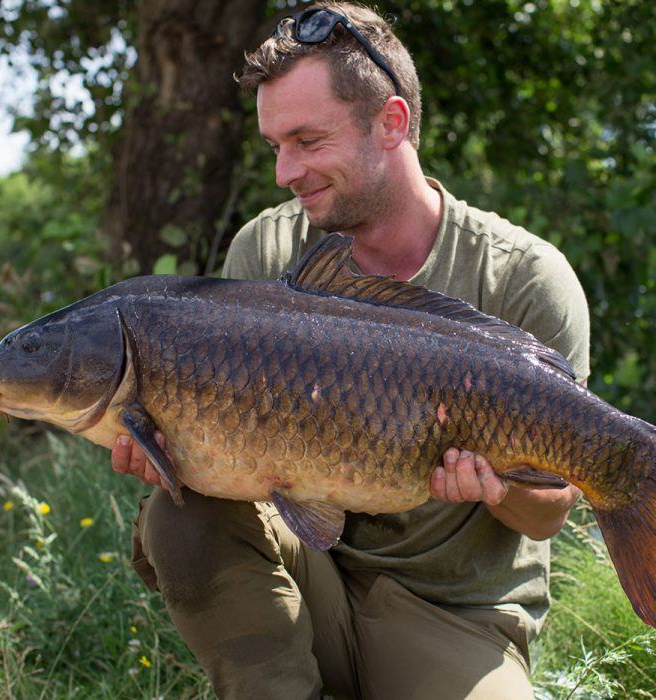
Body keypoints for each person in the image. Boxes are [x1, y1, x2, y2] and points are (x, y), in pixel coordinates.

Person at [111, 3, 590, 698]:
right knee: (179, 517)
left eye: (307, 140)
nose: (285, 172)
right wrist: (168, 447)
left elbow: (550, 510)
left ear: (390, 123)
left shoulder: (521, 278)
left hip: (453, 614)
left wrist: (501, 485)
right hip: (305, 579)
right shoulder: (267, 251)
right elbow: (229, 475)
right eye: (274, 145)